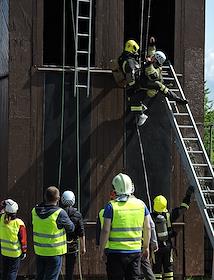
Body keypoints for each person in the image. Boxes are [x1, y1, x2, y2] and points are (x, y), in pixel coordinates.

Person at [117, 39, 187, 126]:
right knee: (132, 97)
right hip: (144, 83)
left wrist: (148, 64)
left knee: (139, 97)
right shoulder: (153, 59)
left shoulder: (156, 70)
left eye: (153, 57)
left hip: (149, 89)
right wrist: (152, 44)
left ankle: (142, 114)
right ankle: (141, 109)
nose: (152, 56)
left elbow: (151, 74)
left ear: (156, 60)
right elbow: (151, 52)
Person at [99, 173, 151, 280]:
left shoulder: (111, 206)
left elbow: (105, 230)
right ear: (131, 187)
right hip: (135, 251)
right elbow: (148, 227)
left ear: (115, 189)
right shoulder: (141, 205)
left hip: (115, 252)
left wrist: (101, 249)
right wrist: (146, 247)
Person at [151, 186, 194, 280]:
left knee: (156, 270)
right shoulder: (169, 215)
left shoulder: (149, 217)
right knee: (168, 269)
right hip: (167, 247)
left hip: (155, 248)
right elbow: (183, 208)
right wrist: (188, 195)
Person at [32, 186, 75, 280]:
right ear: (58, 199)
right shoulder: (60, 213)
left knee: (40, 277)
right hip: (54, 253)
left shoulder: (34, 211)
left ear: (45, 197)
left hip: (40, 251)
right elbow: (71, 228)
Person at [61, 190, 86, 280]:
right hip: (73, 245)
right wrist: (83, 247)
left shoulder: (58, 213)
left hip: (60, 244)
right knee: (70, 270)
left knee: (57, 269)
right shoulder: (77, 214)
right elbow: (81, 232)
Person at [0, 199, 27, 280]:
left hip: (4, 252)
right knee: (12, 272)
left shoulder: (1, 219)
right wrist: (24, 251)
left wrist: (4, 202)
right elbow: (23, 240)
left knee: (5, 271)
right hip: (15, 253)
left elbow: (1, 210)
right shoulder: (19, 223)